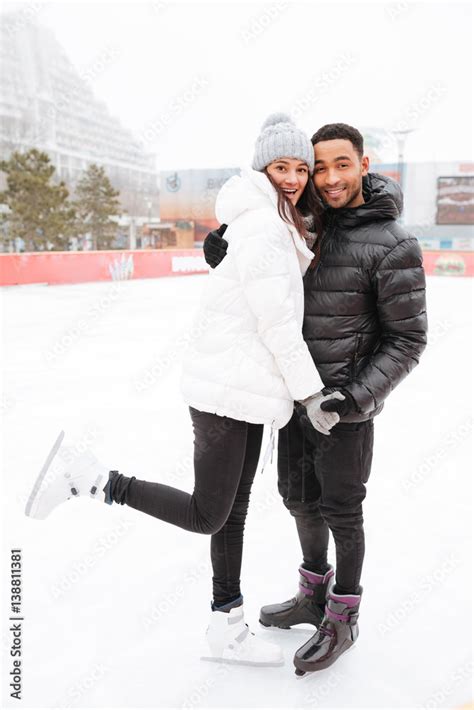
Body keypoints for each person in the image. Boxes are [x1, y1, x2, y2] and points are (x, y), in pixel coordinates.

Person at [25, 113, 343, 668]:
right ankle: (94, 480)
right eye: (280, 167)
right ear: (261, 169)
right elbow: (277, 325)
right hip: (226, 391)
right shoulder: (265, 227)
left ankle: (227, 625)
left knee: (233, 513)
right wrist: (311, 395)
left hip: (242, 388)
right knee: (209, 515)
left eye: (300, 168)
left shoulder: (271, 219)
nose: (293, 177)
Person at [203, 122, 428, 674]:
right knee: (298, 500)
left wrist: (353, 399)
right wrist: (222, 253)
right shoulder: (300, 226)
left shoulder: (393, 242)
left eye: (340, 165)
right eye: (318, 167)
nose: (327, 179)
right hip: (293, 399)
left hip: (344, 410)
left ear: (364, 164)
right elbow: (266, 293)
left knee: (342, 512)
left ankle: (344, 615)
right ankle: (312, 594)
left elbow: (408, 338)